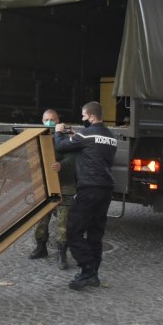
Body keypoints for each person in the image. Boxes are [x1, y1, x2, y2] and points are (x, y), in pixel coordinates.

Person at [54, 101, 117, 290]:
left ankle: (87, 271)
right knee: (95, 233)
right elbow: (93, 148)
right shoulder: (111, 137)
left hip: (89, 188)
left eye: (83, 116)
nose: (82, 119)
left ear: (91, 117)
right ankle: (94, 274)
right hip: (106, 188)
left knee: (73, 230)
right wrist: (78, 137)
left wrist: (58, 131)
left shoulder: (86, 134)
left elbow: (61, 147)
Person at [28, 109, 77, 270]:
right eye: (46, 119)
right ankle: (41, 247)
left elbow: (73, 158)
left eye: (53, 119)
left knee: (63, 222)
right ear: (42, 121)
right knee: (42, 219)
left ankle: (61, 254)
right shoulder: (38, 137)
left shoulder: (68, 137)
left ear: (58, 121)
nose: (50, 122)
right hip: (46, 185)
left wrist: (61, 165)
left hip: (65, 184)